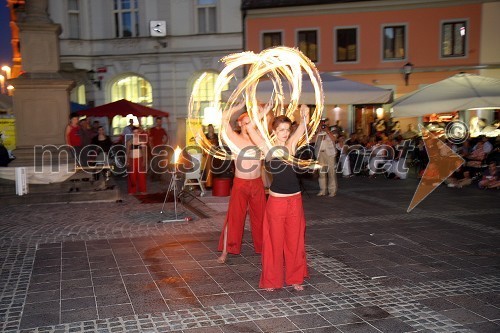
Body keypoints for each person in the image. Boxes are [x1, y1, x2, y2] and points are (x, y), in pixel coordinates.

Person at [246, 104, 310, 292]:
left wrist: (305, 112)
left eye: (287, 129)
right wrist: (264, 113)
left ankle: (295, 278)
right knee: (274, 241)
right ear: (274, 130)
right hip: (277, 202)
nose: (285, 133)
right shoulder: (267, 147)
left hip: (295, 200)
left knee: (295, 241)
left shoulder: (291, 145)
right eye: (281, 129)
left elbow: (304, 124)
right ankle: (272, 280)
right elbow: (250, 128)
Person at [217, 103, 267, 264]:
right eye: (245, 122)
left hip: (257, 183)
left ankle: (264, 248)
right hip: (241, 183)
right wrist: (235, 108)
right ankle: (226, 251)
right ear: (239, 123)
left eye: (250, 122)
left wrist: (261, 111)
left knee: (261, 217)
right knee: (234, 217)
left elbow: (265, 123)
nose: (248, 125)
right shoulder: (234, 138)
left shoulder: (258, 138)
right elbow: (223, 120)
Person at [313, 119, 338, 197]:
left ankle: (332, 191)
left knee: (331, 173)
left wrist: (327, 131)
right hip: (320, 154)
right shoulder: (318, 132)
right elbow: (313, 140)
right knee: (321, 173)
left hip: (330, 154)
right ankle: (323, 190)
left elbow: (334, 139)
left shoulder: (332, 131)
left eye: (324, 124)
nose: (323, 125)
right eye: (321, 124)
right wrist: (318, 131)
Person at [126, 126, 147, 194]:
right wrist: (127, 160)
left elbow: (144, 152)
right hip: (132, 160)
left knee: (141, 175)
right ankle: (132, 190)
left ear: (139, 132)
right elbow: (127, 152)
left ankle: (142, 190)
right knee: (132, 176)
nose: (135, 133)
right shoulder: (129, 142)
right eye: (134, 132)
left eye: (137, 132)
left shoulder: (142, 141)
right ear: (132, 133)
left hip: (140, 159)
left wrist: (144, 160)